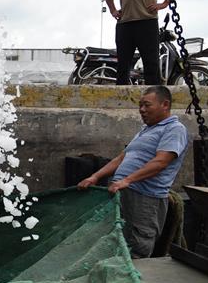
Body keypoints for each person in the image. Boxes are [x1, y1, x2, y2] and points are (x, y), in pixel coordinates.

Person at [77, 86, 189, 259]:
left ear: (165, 105)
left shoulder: (174, 129)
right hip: (122, 194)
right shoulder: (145, 130)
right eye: (140, 105)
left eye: (147, 105)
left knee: (138, 246)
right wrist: (95, 176)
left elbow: (161, 162)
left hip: (145, 198)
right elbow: (121, 158)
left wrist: (127, 180)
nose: (142, 110)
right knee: (116, 242)